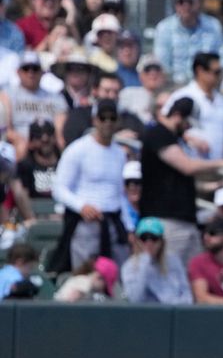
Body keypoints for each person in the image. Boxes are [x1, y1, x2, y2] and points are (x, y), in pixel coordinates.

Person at [140, 96, 223, 267]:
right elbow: (187, 166)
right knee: (171, 272)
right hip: (167, 220)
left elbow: (185, 182)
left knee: (192, 272)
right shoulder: (158, 134)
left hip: (185, 220)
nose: (188, 129)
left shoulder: (174, 140)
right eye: (188, 124)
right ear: (178, 116)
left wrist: (221, 184)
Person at [49, 99, 132, 273]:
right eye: (103, 118)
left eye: (112, 118)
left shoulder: (119, 153)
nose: (108, 122)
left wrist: (129, 227)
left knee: (119, 274)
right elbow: (59, 188)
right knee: (86, 275)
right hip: (86, 223)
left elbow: (119, 194)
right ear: (95, 120)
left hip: (113, 223)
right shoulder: (78, 149)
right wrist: (81, 206)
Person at [153, 0, 223, 85]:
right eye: (181, 2)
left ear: (198, 3)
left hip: (207, 84)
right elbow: (162, 65)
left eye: (190, 1)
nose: (186, 6)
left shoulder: (213, 25)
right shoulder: (164, 28)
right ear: (176, 5)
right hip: (174, 85)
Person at [0, 51, 68, 160]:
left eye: (35, 69)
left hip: (48, 141)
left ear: (42, 72)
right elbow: (6, 130)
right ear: (18, 72)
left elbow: (59, 132)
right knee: (20, 146)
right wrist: (22, 140)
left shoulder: (56, 98)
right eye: (26, 68)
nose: (30, 73)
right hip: (20, 142)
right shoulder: (7, 95)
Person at [161, 52, 223, 160]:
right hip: (190, 163)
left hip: (216, 166)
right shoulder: (183, 95)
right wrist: (188, 138)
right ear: (200, 71)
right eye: (216, 72)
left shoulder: (221, 100)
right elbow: (164, 124)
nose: (219, 76)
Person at [121, 217, 193, 304]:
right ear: (138, 240)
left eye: (153, 238)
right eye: (144, 238)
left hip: (176, 311)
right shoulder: (129, 266)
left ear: (161, 241)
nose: (149, 243)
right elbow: (135, 298)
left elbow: (186, 292)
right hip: (148, 314)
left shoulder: (173, 260)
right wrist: (144, 261)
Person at [16, 119, 59, 200]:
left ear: (54, 138)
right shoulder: (25, 166)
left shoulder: (65, 163)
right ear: (31, 141)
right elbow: (22, 196)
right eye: (38, 136)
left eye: (49, 134)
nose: (44, 139)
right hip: (34, 210)